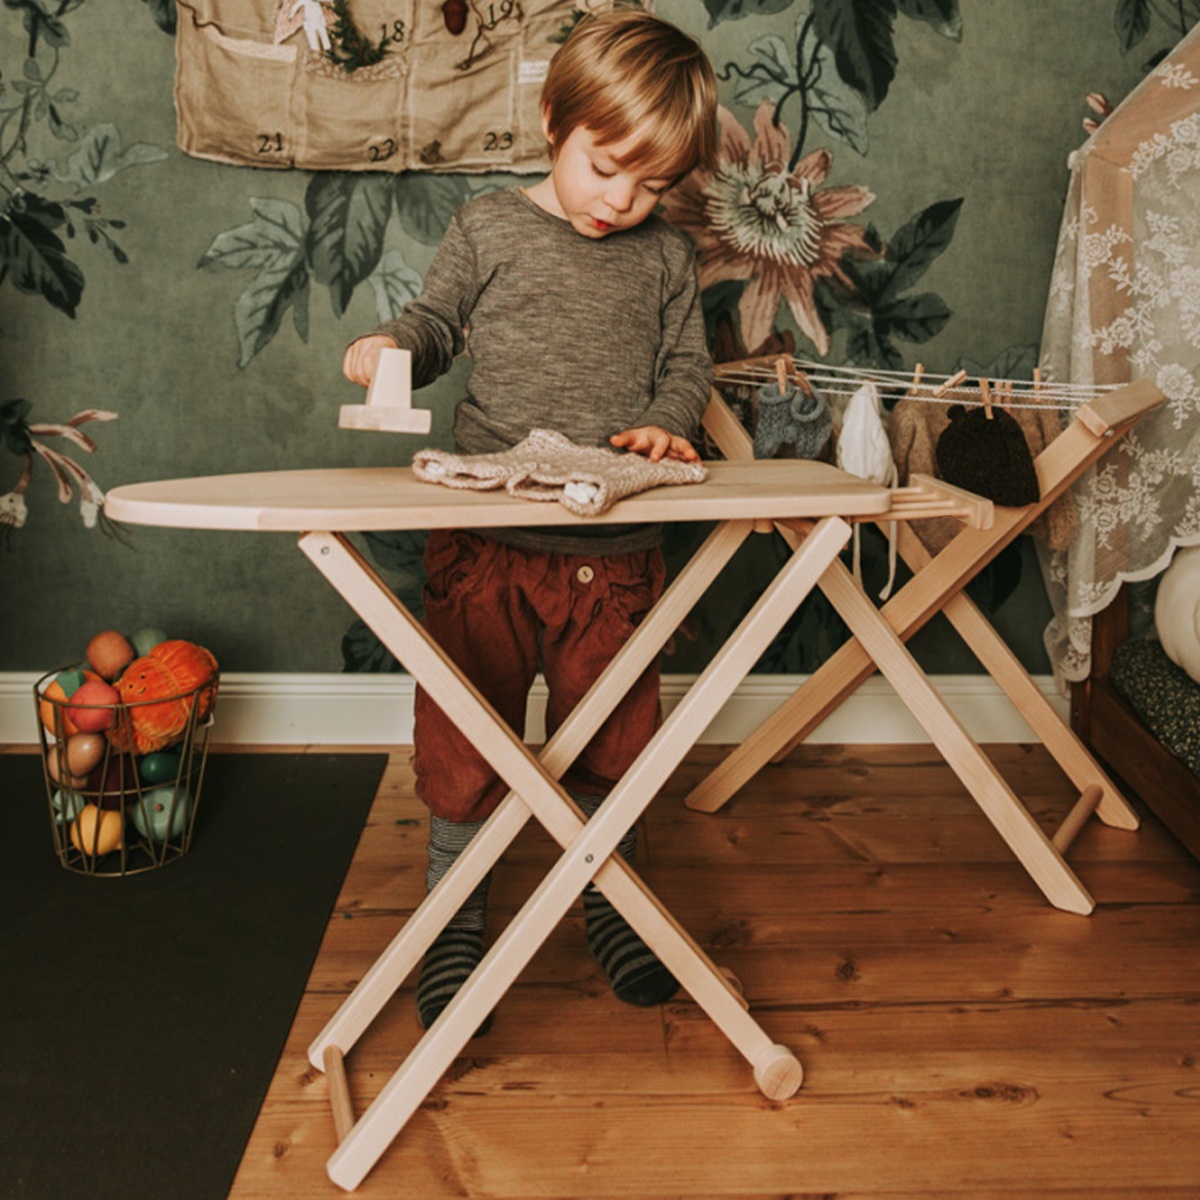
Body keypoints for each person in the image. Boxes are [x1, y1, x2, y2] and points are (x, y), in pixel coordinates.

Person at [342, 7, 719, 1033]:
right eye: (605, 166)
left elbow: (688, 367)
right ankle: (454, 913)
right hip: (486, 546)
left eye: (652, 185)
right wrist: (392, 348)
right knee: (466, 735)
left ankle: (612, 898)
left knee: (617, 738)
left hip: (615, 553)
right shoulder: (489, 228)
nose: (621, 200)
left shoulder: (666, 259)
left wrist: (667, 423)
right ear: (555, 120)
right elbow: (435, 323)